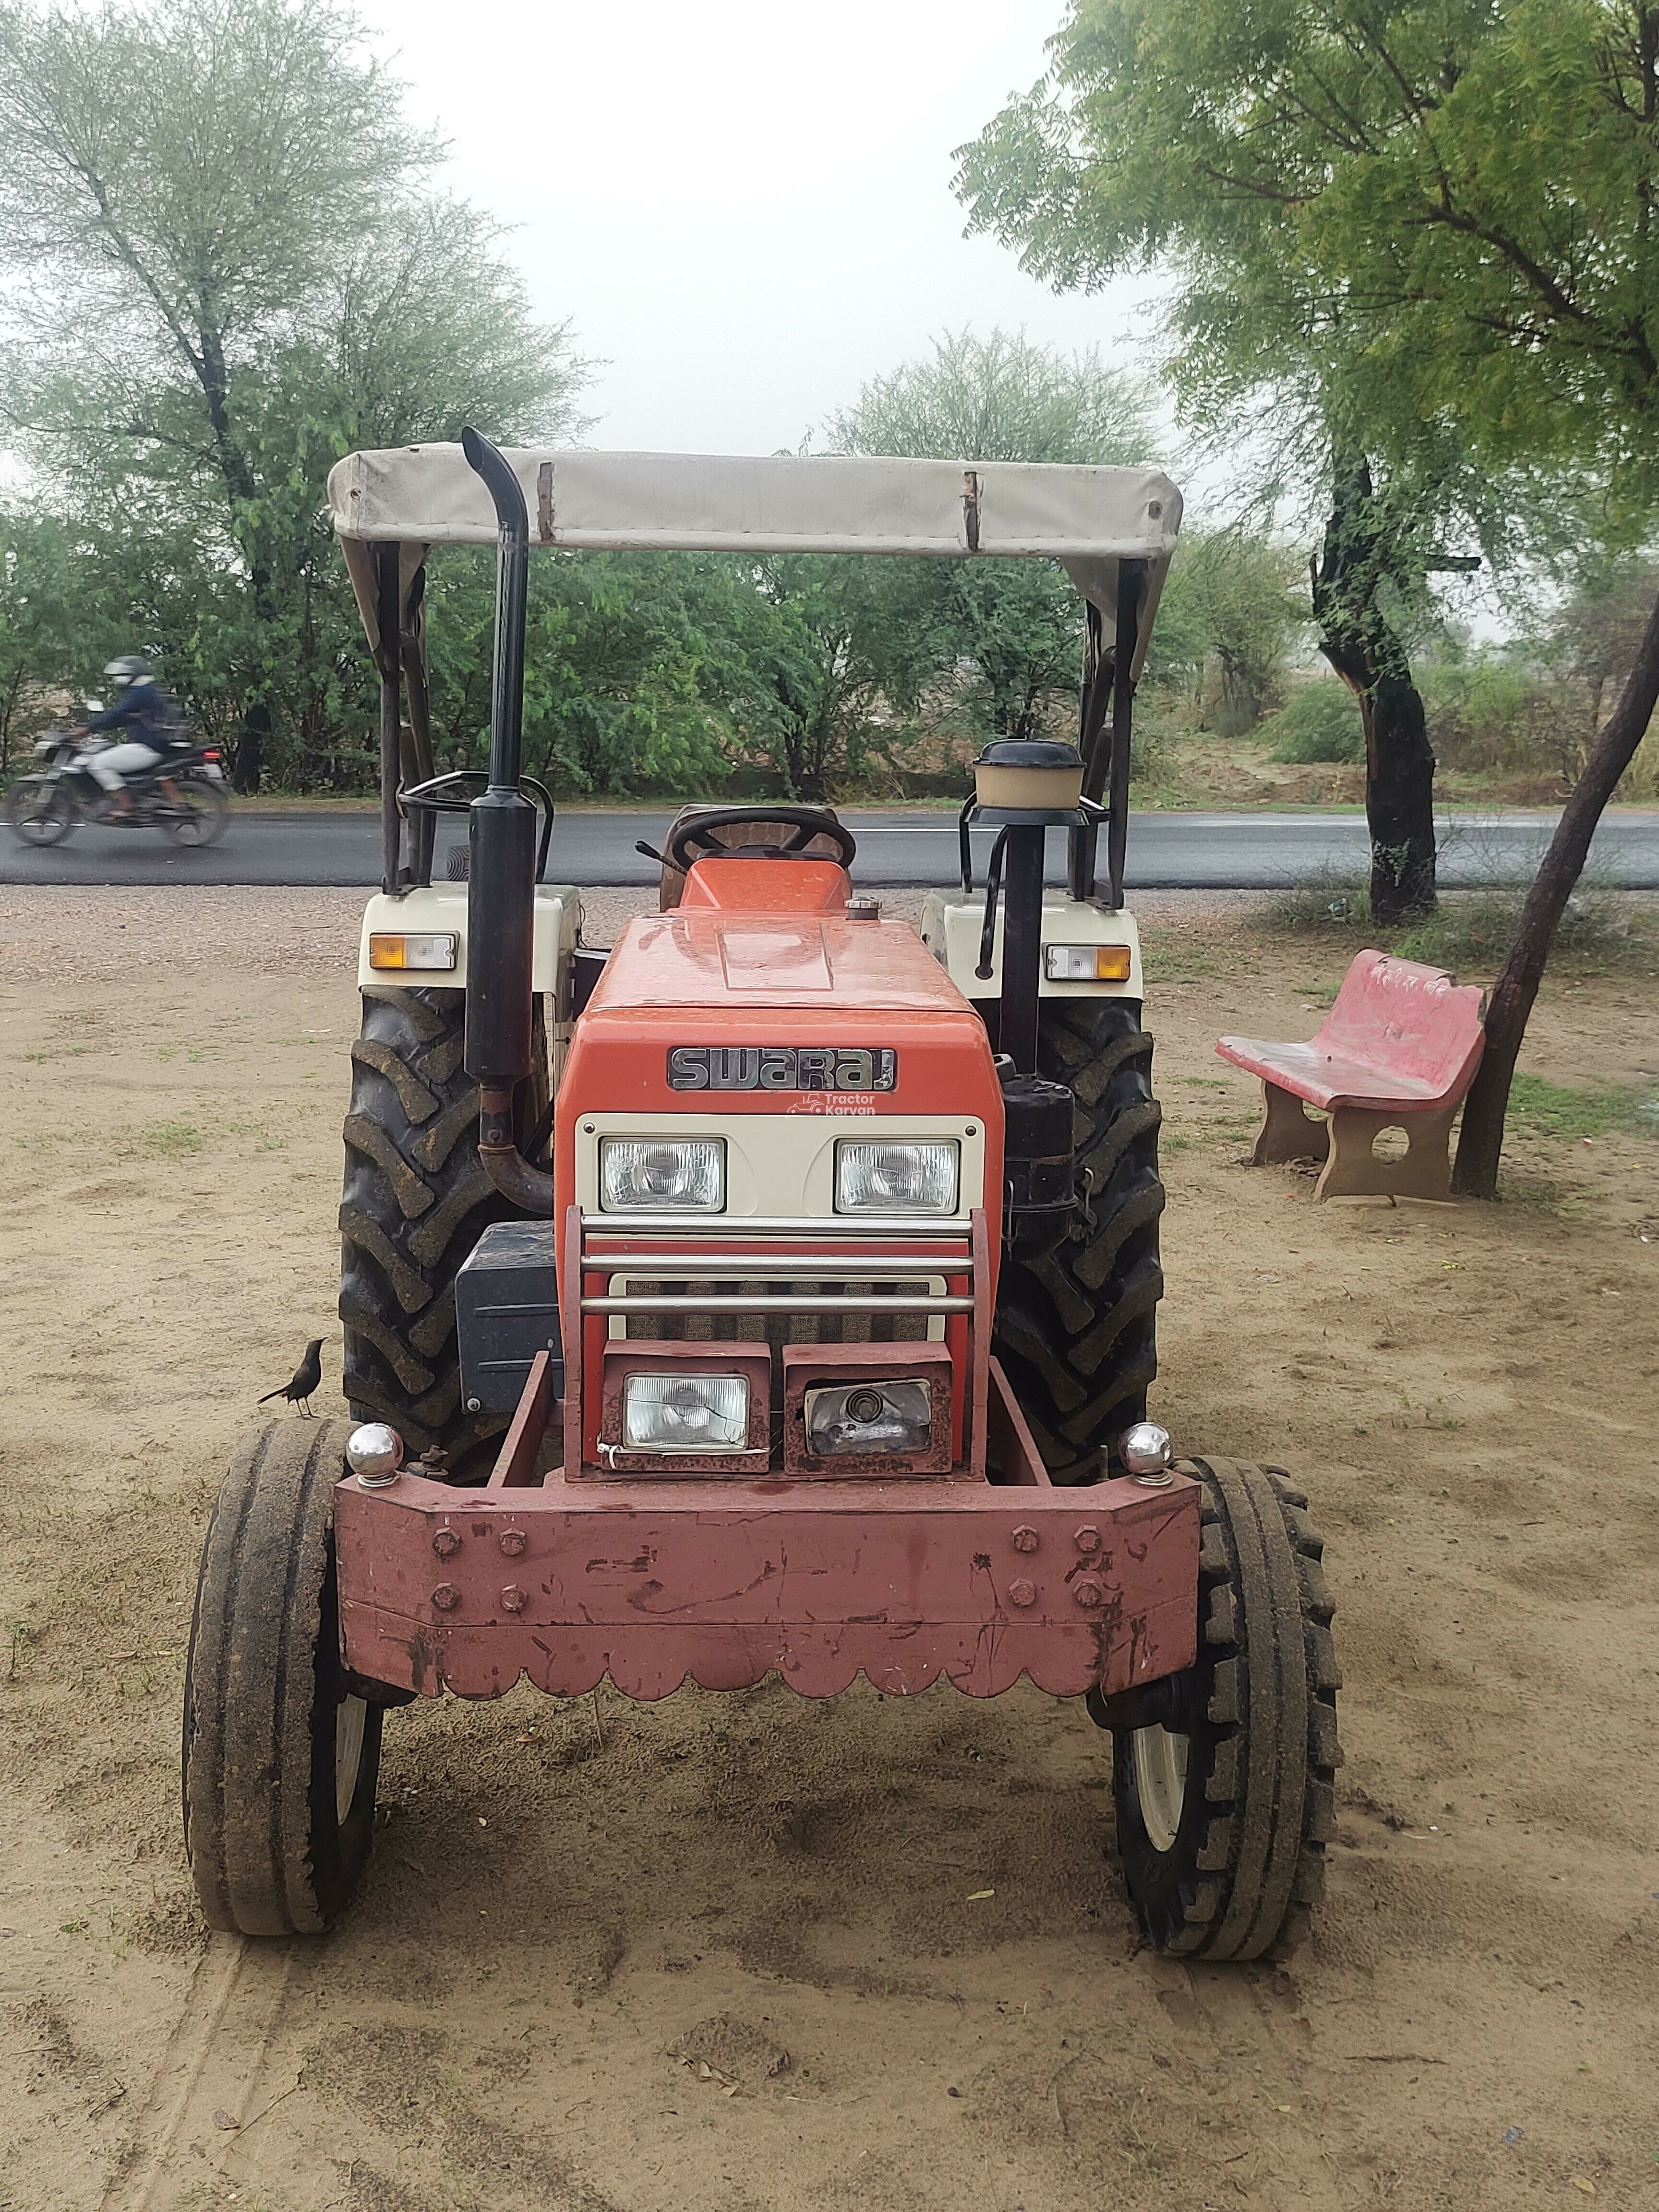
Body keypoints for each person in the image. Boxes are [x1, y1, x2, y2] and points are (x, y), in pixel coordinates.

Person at [81, 656, 186, 815]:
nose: (118, 680)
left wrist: (88, 728)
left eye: (121, 675)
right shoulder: (151, 691)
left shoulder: (141, 693)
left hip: (147, 748)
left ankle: (124, 804)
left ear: (132, 675)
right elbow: (128, 719)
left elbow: (117, 713)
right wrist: (102, 727)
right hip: (157, 745)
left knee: (97, 764)